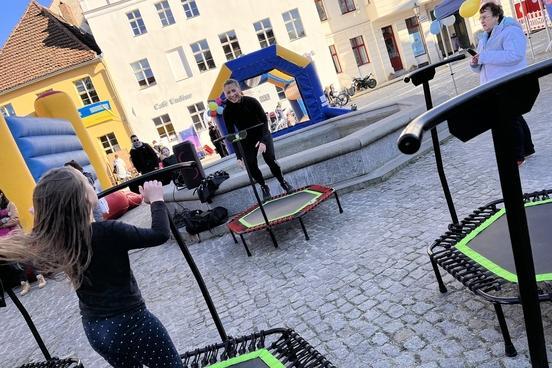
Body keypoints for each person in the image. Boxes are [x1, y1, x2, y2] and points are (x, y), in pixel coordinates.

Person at [0, 167, 183, 367]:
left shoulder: (60, 240)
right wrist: (156, 200)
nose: (91, 183)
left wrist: (45, 219)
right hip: (132, 323)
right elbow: (159, 234)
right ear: (84, 198)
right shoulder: (109, 231)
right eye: (87, 182)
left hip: (96, 330)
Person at [470, 0, 535, 165]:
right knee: (515, 116)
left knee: (510, 119)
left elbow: (515, 55)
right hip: (495, 86)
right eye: (480, 18)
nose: (482, 21)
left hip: (510, 84)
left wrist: (484, 57)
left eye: (485, 17)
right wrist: (475, 63)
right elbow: (483, 61)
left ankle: (517, 156)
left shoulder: (510, 31)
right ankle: (527, 149)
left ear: (497, 16)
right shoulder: (484, 37)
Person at [222, 79, 293, 201]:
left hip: (262, 133)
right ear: (225, 94)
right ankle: (264, 186)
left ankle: (283, 181)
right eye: (228, 92)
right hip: (246, 139)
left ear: (239, 89)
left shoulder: (252, 101)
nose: (232, 94)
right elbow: (232, 134)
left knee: (270, 160)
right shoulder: (227, 111)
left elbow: (264, 121)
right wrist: (239, 157)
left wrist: (263, 141)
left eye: (234, 90)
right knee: (250, 164)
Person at [0, 189, 46, 295]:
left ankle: (39, 276)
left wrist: (3, 223)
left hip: (15, 235)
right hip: (3, 240)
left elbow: (15, 220)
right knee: (13, 261)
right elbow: (9, 220)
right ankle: (23, 282)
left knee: (26, 256)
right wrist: (5, 220)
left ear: (1, 194)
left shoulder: (10, 205)